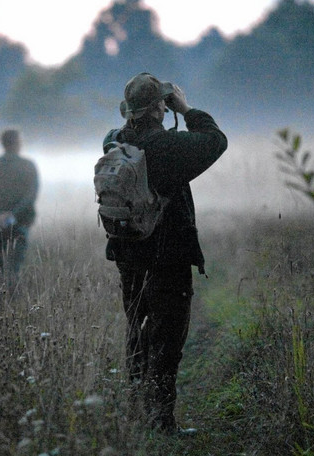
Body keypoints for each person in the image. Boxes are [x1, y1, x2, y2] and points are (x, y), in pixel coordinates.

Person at [102, 73, 227, 433]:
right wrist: (185, 109)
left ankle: (138, 414)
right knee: (168, 339)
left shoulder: (115, 143)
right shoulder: (168, 149)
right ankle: (161, 421)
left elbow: (118, 129)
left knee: (138, 330)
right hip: (168, 254)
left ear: (128, 110)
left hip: (127, 254)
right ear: (160, 107)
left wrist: (142, 111)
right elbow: (216, 141)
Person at [0, 129, 39, 294]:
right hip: (20, 221)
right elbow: (30, 196)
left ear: (2, 143)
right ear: (18, 143)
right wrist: (13, 214)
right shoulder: (28, 166)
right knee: (14, 265)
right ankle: (13, 304)